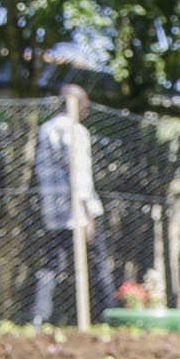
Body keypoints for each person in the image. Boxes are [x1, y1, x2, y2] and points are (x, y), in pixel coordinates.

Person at [33, 84, 105, 324]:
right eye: (85, 105)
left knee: (51, 266)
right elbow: (80, 175)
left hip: (53, 213)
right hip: (78, 213)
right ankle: (107, 315)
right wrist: (88, 216)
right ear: (78, 104)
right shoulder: (77, 131)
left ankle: (39, 317)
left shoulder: (45, 130)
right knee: (98, 265)